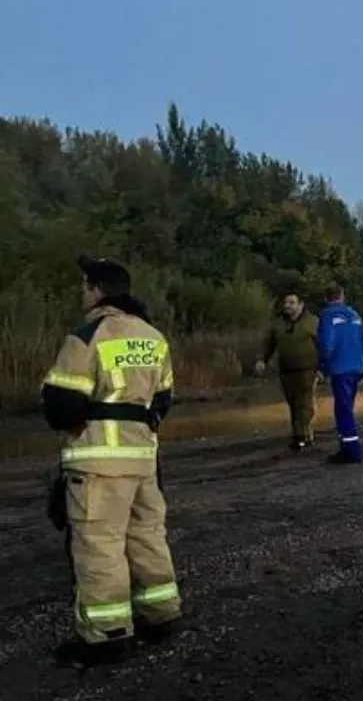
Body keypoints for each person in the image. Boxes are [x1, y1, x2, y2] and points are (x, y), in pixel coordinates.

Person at [40, 255, 183, 667]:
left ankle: (106, 634)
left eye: (84, 285)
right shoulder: (153, 337)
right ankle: (161, 614)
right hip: (142, 458)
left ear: (97, 290)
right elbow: (163, 399)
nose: (80, 292)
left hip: (97, 461)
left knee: (100, 544)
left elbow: (62, 404)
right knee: (147, 536)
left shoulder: (87, 337)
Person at [255, 291, 321, 452]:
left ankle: (300, 436)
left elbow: (324, 345)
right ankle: (303, 434)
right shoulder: (278, 325)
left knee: (304, 403)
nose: (287, 306)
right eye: (286, 303)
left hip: (308, 369)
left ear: (301, 304)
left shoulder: (313, 323)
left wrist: (323, 367)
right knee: (293, 403)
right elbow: (268, 344)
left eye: (291, 303)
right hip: (286, 370)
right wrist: (261, 360)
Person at [317, 283, 363, 464]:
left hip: (340, 368)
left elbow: (326, 344)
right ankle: (346, 447)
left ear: (326, 298)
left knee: (343, 409)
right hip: (357, 366)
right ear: (342, 296)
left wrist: (323, 367)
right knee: (348, 407)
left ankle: (351, 450)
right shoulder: (354, 315)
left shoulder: (327, 316)